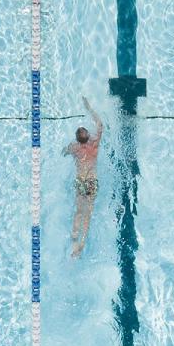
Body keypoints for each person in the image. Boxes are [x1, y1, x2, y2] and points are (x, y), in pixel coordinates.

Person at [64, 96, 104, 259]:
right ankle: (81, 245)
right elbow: (100, 124)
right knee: (88, 214)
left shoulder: (75, 148)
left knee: (79, 212)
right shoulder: (94, 144)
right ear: (87, 136)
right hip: (92, 182)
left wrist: (67, 149)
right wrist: (88, 107)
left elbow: (65, 151)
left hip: (81, 181)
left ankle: (73, 238)